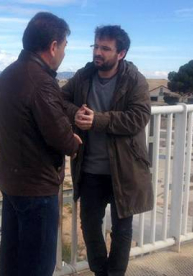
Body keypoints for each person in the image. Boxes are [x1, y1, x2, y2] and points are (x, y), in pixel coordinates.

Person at [0, 12, 82, 276]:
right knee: (38, 266)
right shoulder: (41, 82)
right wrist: (74, 141)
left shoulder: (8, 75)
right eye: (64, 47)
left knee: (12, 261)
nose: (64, 53)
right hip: (36, 189)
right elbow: (61, 137)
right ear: (53, 46)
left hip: (11, 183)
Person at [61, 25, 154, 276]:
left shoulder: (135, 79)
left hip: (124, 169)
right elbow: (61, 99)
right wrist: (75, 114)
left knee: (122, 229)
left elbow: (138, 118)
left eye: (105, 48)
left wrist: (98, 120)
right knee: (89, 225)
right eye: (96, 46)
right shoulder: (84, 75)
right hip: (90, 168)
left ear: (121, 53)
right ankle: (101, 272)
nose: (98, 53)